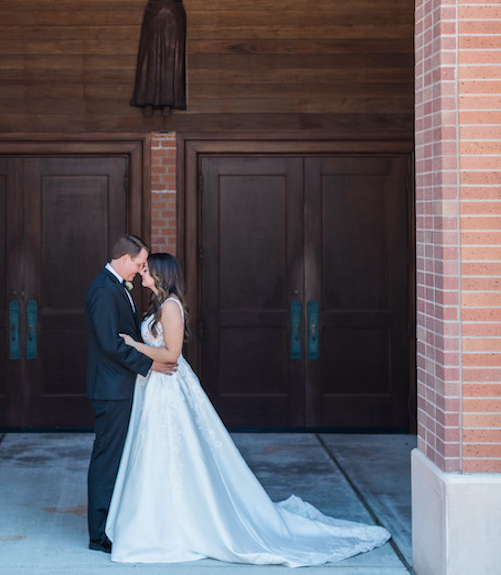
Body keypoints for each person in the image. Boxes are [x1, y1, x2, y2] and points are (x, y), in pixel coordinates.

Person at [105, 252, 392, 566]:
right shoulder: (159, 305)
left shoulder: (171, 306)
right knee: (155, 453)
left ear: (162, 274)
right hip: (155, 389)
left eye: (147, 269)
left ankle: (175, 525)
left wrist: (133, 345)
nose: (142, 273)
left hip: (169, 388)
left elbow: (171, 354)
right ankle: (154, 522)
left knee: (175, 452)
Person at [84, 235, 176, 554]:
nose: (140, 271)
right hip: (111, 390)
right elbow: (111, 343)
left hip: (120, 387)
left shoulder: (115, 287)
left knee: (116, 458)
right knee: (107, 459)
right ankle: (99, 534)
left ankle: (112, 522)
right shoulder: (103, 291)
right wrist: (149, 365)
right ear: (124, 259)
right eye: (138, 264)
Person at [97, 0, 239, 115]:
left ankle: (168, 102)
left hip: (174, 14)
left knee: (172, 57)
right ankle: (146, 100)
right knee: (150, 56)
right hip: (154, 13)